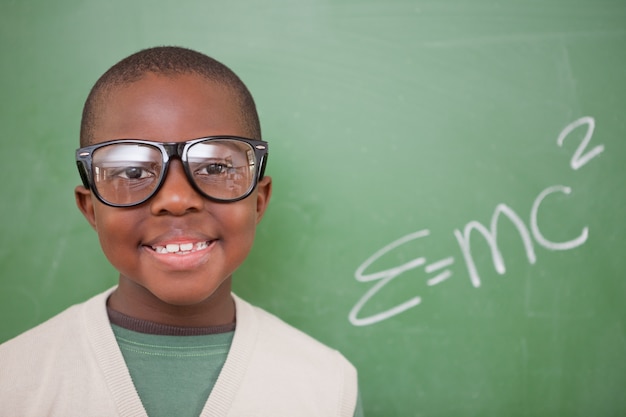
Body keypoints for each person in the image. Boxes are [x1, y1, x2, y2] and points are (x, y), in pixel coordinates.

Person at [0, 46, 362, 417]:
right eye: (133, 172)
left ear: (258, 201)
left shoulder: (327, 387)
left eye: (216, 168)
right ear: (91, 209)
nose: (175, 198)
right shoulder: (13, 381)